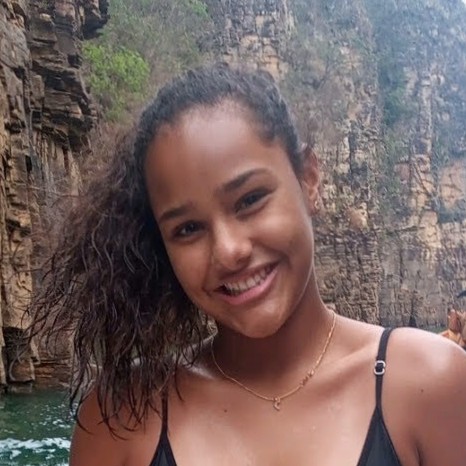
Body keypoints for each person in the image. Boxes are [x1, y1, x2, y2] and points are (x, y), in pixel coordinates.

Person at [29, 63, 466, 466]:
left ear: (309, 180)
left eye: (250, 199)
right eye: (187, 229)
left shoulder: (427, 383)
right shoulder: (122, 420)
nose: (228, 251)